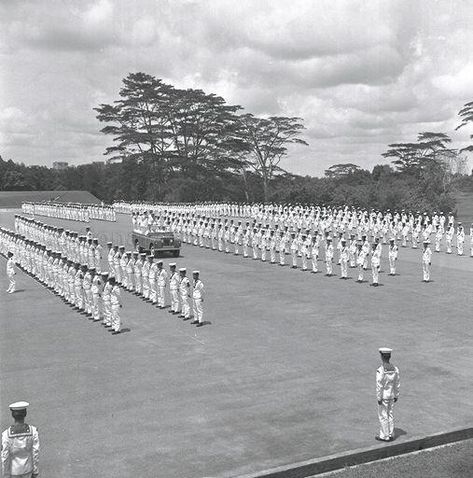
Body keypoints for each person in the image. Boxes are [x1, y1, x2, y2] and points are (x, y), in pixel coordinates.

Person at [1, 401, 40, 478]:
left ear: (13, 415)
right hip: (28, 470)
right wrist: (35, 470)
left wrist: (5, 474)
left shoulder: (6, 434)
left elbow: (5, 456)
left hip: (13, 472)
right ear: (25, 414)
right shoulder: (33, 431)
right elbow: (36, 452)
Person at [376, 348, 400, 442]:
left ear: (382, 357)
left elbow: (379, 385)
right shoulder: (395, 369)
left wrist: (379, 397)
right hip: (391, 395)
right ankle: (390, 434)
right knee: (390, 414)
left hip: (384, 396)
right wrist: (396, 395)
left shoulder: (381, 370)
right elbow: (397, 383)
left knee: (383, 416)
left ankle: (384, 436)